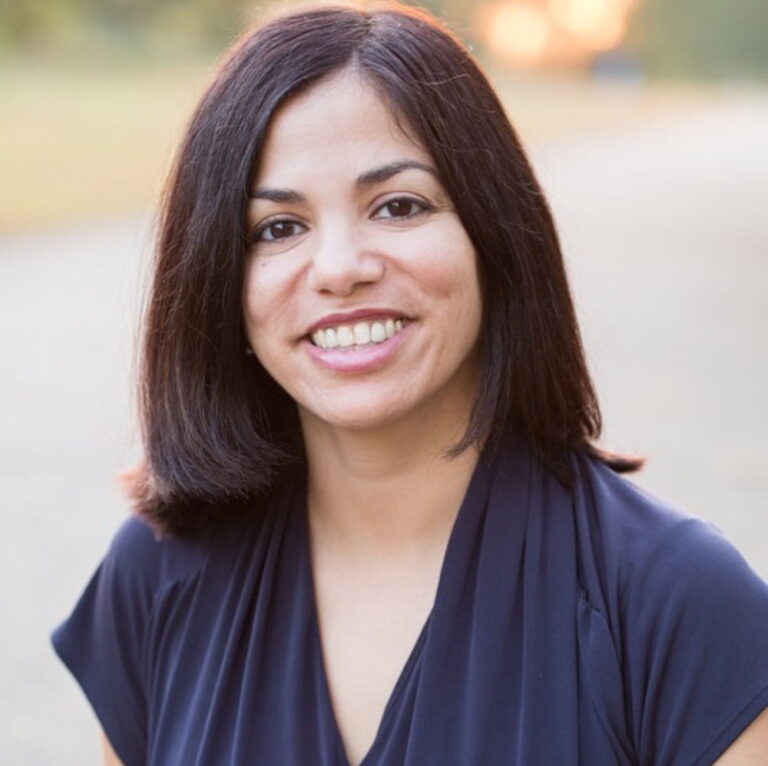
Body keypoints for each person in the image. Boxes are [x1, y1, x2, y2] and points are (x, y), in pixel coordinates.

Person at [52, 3, 768, 765]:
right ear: (216, 280)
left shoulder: (680, 602)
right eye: (277, 228)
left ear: (494, 235)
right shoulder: (159, 570)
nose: (339, 268)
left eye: (399, 206)